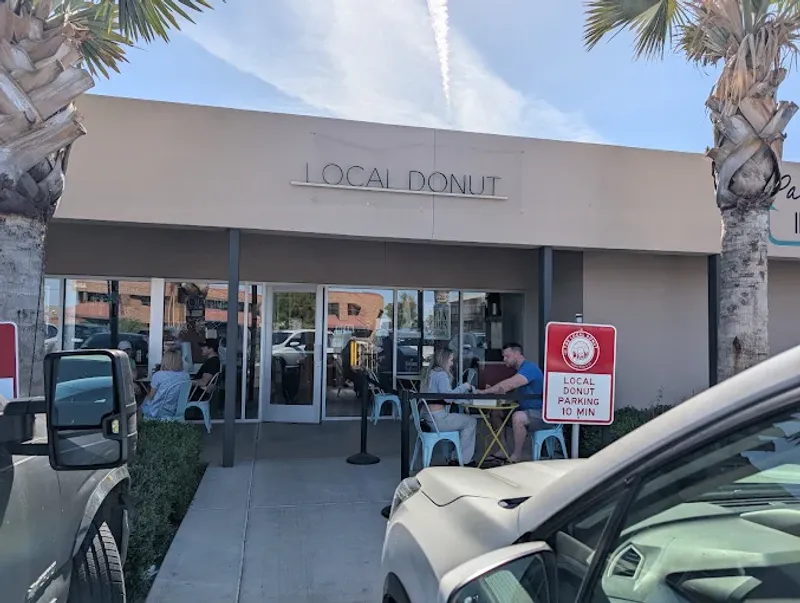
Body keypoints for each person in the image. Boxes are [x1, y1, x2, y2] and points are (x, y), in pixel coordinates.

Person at [479, 342, 545, 463]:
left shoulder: (529, 368)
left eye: (506, 356)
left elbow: (509, 384)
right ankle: (502, 449)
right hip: (524, 409)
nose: (504, 360)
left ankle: (516, 455)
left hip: (540, 413)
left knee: (517, 417)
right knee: (496, 413)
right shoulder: (519, 370)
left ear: (516, 354)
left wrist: (485, 392)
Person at [421, 348, 479, 467]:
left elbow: (445, 396)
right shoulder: (441, 375)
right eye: (451, 360)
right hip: (438, 420)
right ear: (444, 360)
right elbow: (448, 397)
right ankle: (462, 460)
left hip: (427, 418)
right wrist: (464, 387)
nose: (452, 363)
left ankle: (457, 456)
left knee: (463, 420)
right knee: (471, 421)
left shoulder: (430, 373)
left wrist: (463, 400)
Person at [142, 348, 190, 420]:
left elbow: (151, 396)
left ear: (164, 361)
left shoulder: (158, 375)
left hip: (158, 411)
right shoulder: (185, 375)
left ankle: (140, 429)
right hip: (177, 410)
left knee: (140, 406)